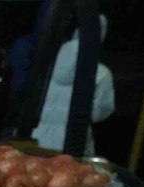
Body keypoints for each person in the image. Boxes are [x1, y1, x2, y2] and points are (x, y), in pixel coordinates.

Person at [33, 14, 116, 151]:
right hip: (72, 144)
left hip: (38, 139)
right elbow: (99, 113)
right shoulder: (101, 73)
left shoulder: (51, 66)